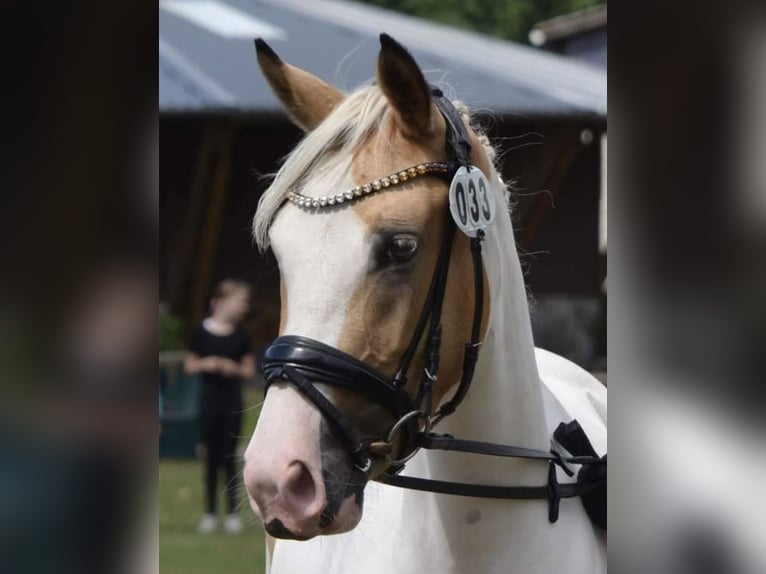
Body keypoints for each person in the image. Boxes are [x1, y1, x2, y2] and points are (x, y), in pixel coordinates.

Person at [184, 279, 255, 534]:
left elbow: (249, 369)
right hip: (208, 403)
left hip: (232, 404)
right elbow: (190, 364)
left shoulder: (241, 336)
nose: (244, 307)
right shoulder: (200, 333)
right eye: (241, 301)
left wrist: (231, 368)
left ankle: (233, 513)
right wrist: (208, 363)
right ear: (222, 302)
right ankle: (210, 513)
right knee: (210, 459)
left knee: (230, 458)